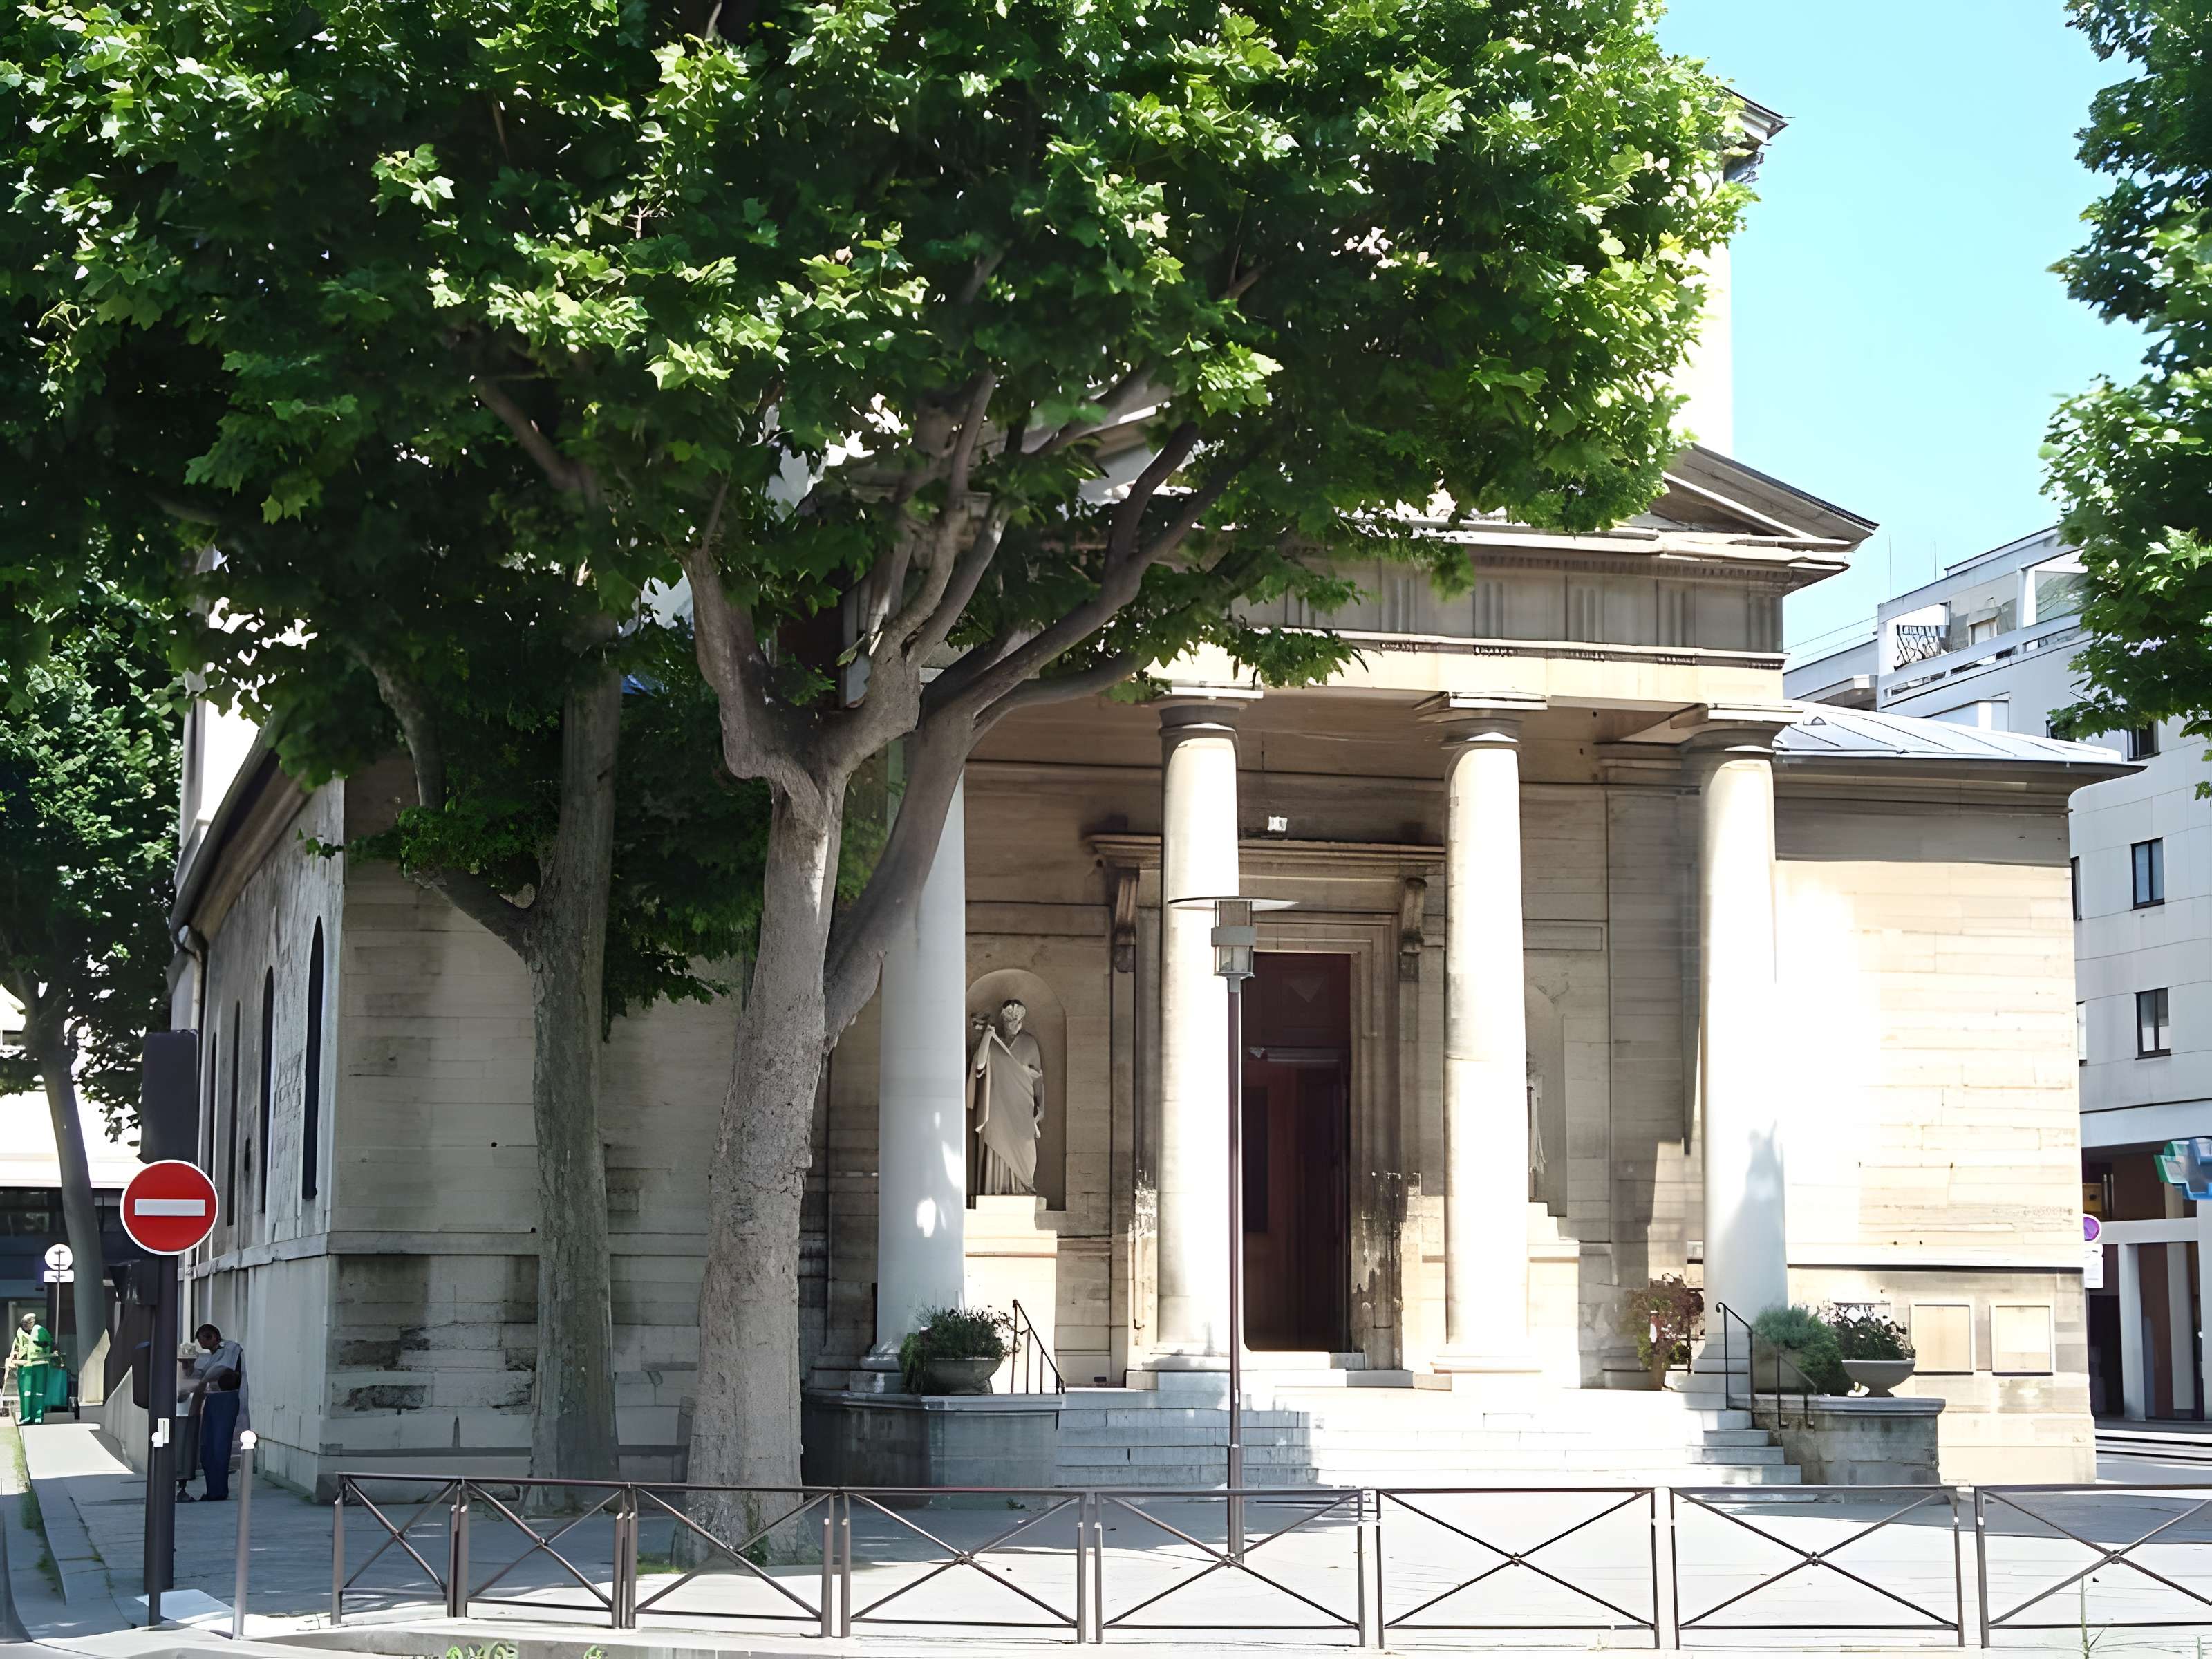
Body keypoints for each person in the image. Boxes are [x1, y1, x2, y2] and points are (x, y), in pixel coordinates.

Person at [181, 1324, 248, 1501]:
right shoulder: (211, 1356)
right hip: (212, 1398)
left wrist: (202, 1382)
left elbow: (221, 1369)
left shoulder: (231, 1348)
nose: (202, 1345)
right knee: (208, 1446)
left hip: (226, 1397)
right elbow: (201, 1373)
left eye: (203, 1340)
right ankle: (213, 1489)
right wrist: (189, 1368)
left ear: (212, 1337)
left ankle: (218, 1491)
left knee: (219, 1446)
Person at [8, 1313, 58, 1425]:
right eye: (25, 1322)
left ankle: (38, 1416)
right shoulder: (20, 1335)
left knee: (39, 1392)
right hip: (25, 1366)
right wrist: (12, 1360)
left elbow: (50, 1346)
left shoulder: (41, 1332)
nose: (26, 1324)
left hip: (40, 1365)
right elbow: (15, 1350)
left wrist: (53, 1355)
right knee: (26, 1393)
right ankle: (26, 1416)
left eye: (29, 1322)